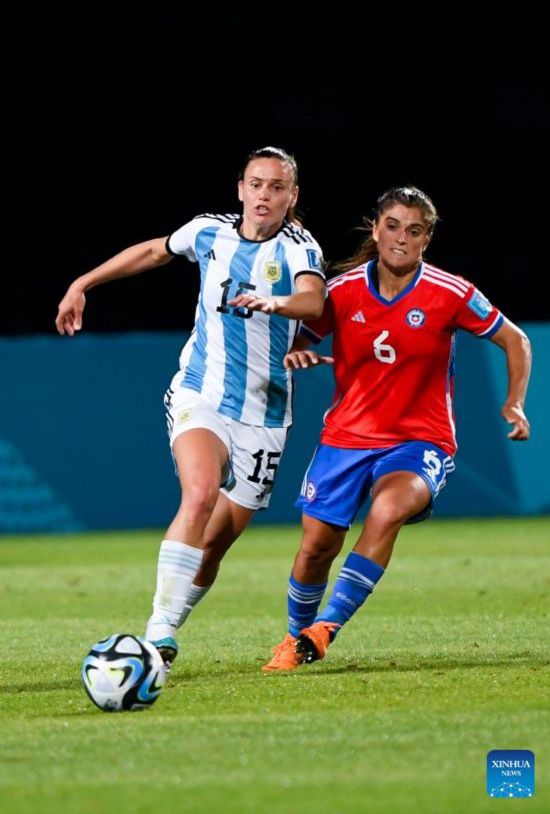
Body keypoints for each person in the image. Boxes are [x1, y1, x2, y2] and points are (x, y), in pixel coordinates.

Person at [55, 146, 326, 667]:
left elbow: (313, 300)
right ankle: (158, 634)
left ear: (292, 197)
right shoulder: (208, 232)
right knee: (199, 493)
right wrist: (82, 282)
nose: (264, 195)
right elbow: (153, 251)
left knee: (215, 544)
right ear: (240, 188)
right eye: (256, 184)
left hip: (265, 416)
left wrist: (275, 302)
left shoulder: (299, 247)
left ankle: (168, 626)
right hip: (201, 392)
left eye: (276, 187)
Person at [263, 185, 532, 671]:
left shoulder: (451, 293)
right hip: (345, 439)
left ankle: (325, 628)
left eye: (414, 230)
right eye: (392, 226)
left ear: (427, 238)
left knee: (387, 510)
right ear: (375, 229)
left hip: (420, 441)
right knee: (316, 548)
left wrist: (514, 403)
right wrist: (297, 352)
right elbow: (301, 338)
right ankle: (294, 635)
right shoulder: (341, 291)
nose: (401, 238)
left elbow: (516, 340)